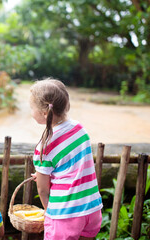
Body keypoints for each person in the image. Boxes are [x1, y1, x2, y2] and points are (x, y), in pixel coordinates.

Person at [29, 78, 103, 240]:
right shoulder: (80, 129)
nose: (30, 111)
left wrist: (49, 212)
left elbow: (42, 190)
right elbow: (73, 167)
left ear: (44, 112)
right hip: (92, 209)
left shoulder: (44, 147)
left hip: (65, 215)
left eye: (31, 108)